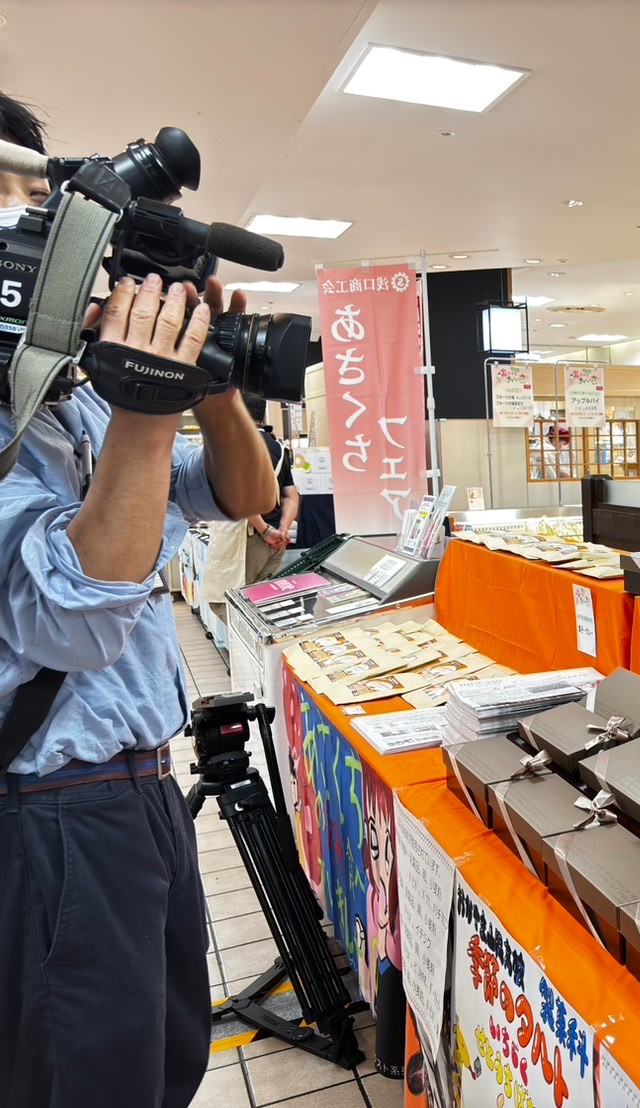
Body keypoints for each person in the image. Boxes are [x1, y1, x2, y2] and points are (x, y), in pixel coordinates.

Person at [0, 93, 279, 1107]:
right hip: (48, 812)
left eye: (43, 195)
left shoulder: (69, 397)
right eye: (18, 197)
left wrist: (210, 388)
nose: (41, 221)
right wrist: (148, 411)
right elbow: (70, 620)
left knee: (164, 1060)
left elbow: (243, 494)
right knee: (88, 1077)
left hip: (140, 794)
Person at [244, 397, 299, 583]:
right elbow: (291, 496)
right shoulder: (278, 448)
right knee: (264, 599)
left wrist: (265, 531)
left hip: (248, 536)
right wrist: (283, 528)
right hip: (277, 538)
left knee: (233, 600)